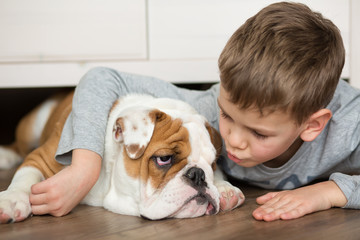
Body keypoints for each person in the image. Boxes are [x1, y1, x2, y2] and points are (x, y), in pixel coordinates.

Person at [29, 2, 360, 221]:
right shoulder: (204, 111)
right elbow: (102, 78)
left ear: (312, 126)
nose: (233, 141)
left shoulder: (349, 128)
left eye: (258, 133)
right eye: (227, 116)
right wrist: (86, 167)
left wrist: (332, 192)